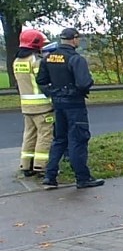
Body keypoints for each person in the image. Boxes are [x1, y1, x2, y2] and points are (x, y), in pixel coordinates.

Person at [36, 27, 104, 190]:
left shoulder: (49, 57)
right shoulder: (75, 59)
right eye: (78, 39)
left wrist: (53, 92)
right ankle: (82, 177)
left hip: (58, 104)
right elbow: (84, 82)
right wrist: (79, 90)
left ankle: (50, 177)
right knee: (78, 139)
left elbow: (41, 80)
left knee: (59, 139)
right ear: (74, 39)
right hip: (74, 104)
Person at [13, 29, 53, 177]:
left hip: (26, 106)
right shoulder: (36, 61)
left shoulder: (17, 61)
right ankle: (41, 166)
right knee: (45, 135)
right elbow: (43, 82)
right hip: (42, 106)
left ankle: (26, 165)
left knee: (29, 135)